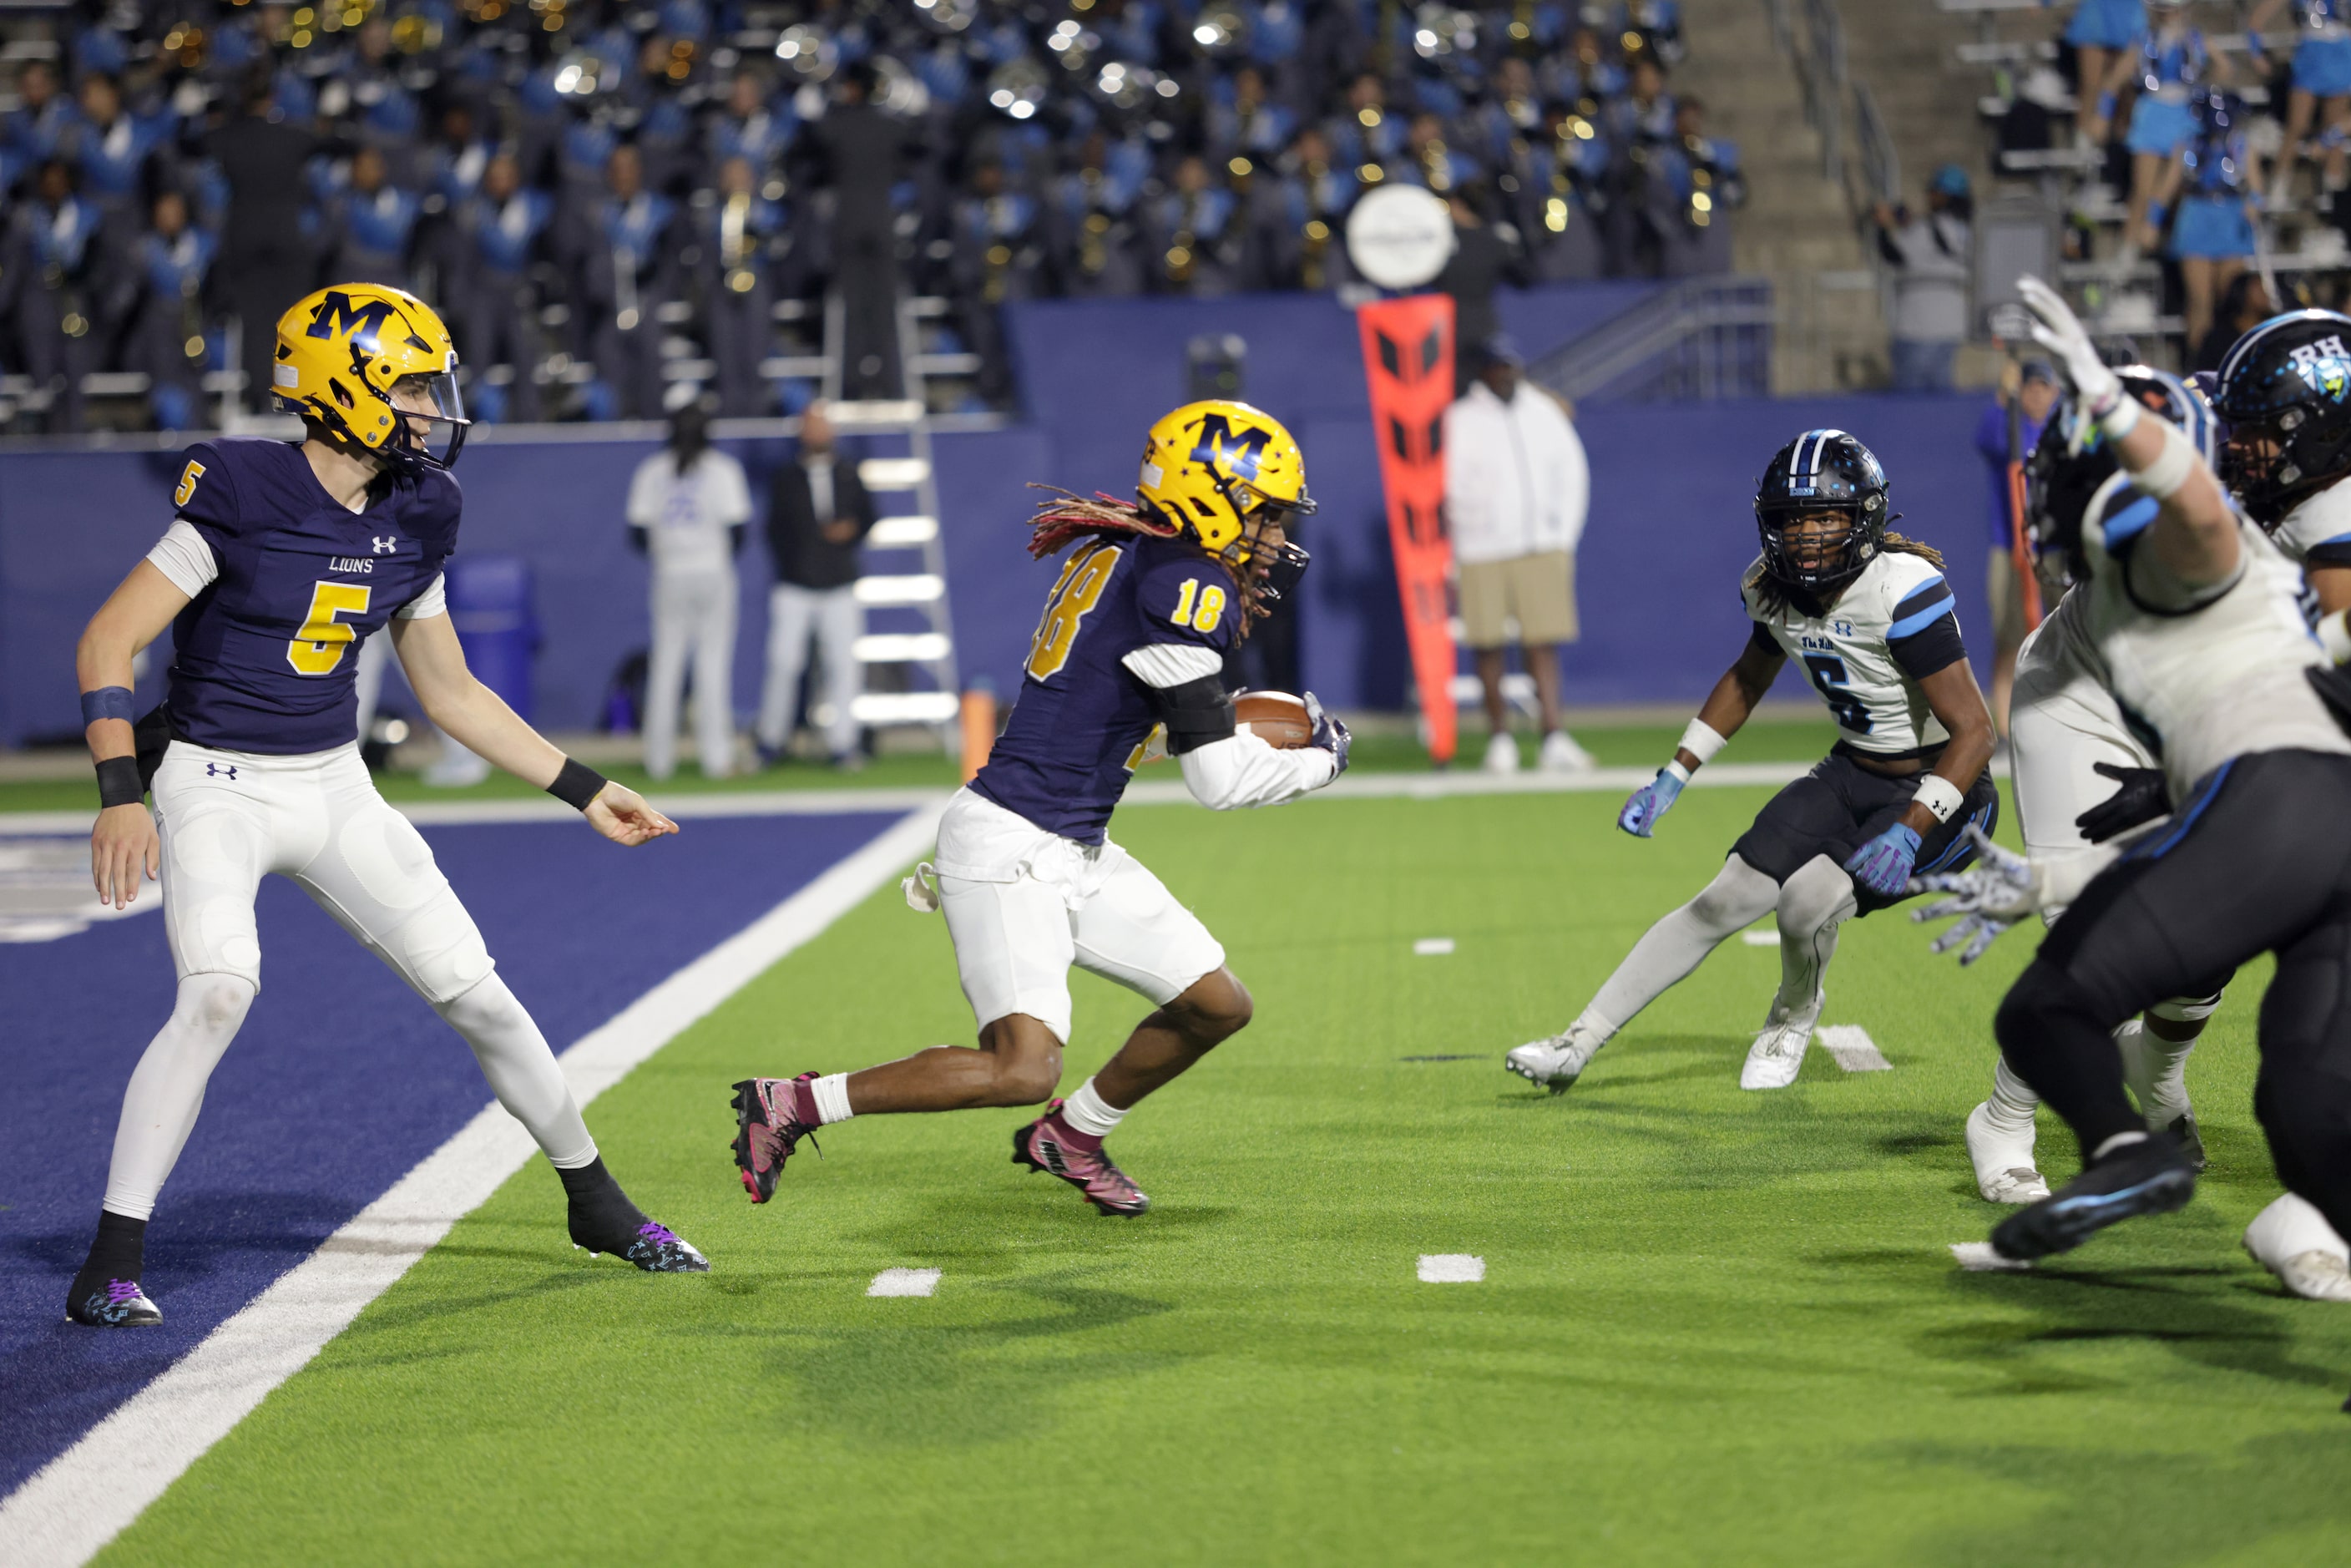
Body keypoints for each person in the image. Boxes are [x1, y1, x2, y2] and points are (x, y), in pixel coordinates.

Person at [65, 282, 703, 1327]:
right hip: (214, 778)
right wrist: (119, 793)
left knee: (479, 992)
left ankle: (596, 1201)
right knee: (220, 989)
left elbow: (448, 691)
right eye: (408, 382)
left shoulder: (420, 508)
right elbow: (107, 640)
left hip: (333, 781)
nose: (429, 403)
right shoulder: (240, 484)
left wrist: (583, 788)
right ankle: (112, 1260)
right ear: (338, 385)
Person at [729, 401, 1347, 1216]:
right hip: (1012, 846)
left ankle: (1074, 1136)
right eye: (1262, 513)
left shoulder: (1134, 550)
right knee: (1019, 1069)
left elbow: (1115, 712)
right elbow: (1218, 782)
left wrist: (1205, 725)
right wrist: (1316, 760)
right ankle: (794, 1103)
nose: (1271, 536)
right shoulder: (1182, 582)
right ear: (1211, 497)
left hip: (1069, 841)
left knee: (1214, 1004)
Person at [1914, 276, 2351, 1275]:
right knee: (2261, 1049)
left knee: (2129, 966)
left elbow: (2198, 520)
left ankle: (2139, 1121)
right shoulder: (2208, 442)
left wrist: (2107, 411)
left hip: (2251, 741)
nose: (2240, 449)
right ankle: (2040, 1120)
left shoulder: (2221, 510)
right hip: (2154, 715)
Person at [1505, 429, 1998, 1094]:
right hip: (1853, 770)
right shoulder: (1769, 587)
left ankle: (1792, 1015)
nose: (1809, 535)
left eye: (1826, 516)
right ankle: (1576, 1044)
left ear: (1864, 519)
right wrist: (1674, 774)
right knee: (1722, 899)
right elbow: (1746, 680)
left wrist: (1911, 827)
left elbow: (1975, 732)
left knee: (1805, 904)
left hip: (1946, 787)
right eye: (1794, 520)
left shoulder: (1901, 591)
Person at [1443, 336, 1596, 774]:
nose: (1505, 375)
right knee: (1488, 646)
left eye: (1511, 366)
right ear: (1484, 372)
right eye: (1497, 368)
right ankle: (1500, 741)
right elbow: (1449, 486)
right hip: (1481, 550)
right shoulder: (1460, 419)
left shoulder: (1544, 413)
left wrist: (1562, 535)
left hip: (1540, 547)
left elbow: (1571, 473)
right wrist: (1466, 536)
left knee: (1542, 643)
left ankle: (1553, 737)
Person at [627, 393, 752, 781]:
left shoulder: (653, 470)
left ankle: (658, 761)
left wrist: (667, 555)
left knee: (666, 664)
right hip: (712, 570)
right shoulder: (723, 469)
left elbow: (637, 531)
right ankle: (716, 759)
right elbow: (739, 529)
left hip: (670, 572)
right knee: (712, 666)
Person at [756, 401, 874, 767]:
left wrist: (850, 530)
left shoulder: (849, 472)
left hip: (839, 583)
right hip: (795, 585)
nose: (818, 433)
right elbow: (774, 529)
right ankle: (770, 741)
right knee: (783, 663)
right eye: (812, 426)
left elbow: (868, 516)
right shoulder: (786, 477)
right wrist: (798, 562)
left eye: (823, 426)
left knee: (843, 665)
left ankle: (844, 744)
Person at [208, 69, 319, 414]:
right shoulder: (292, 137)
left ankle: (260, 398)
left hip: (244, 238)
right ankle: (297, 396)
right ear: (272, 98)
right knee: (295, 321)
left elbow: (189, 144)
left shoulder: (229, 137)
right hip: (286, 238)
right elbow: (339, 143)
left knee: (255, 324)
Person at [1971, 359, 2059, 732]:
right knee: (2008, 637)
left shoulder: (2060, 431)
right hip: (2009, 545)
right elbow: (1985, 437)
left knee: (2061, 633)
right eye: (2030, 386)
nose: (2036, 393)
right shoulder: (2008, 428)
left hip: (2053, 546)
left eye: (2043, 386)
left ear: (2054, 392)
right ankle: (2004, 728)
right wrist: (2004, 396)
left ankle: (2059, 718)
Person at [2167, 92, 2263, 353]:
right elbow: (2167, 186)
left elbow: (2255, 189)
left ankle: (2231, 360)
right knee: (2200, 301)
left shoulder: (2242, 146)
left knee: (2233, 301)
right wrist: (2152, 221)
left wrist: (2253, 206)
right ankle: (2199, 362)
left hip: (2231, 220)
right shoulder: (2187, 145)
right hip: (2196, 217)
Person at [1873, 167, 1973, 393]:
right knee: (1941, 402)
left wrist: (1882, 226)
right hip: (1951, 324)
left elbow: (1893, 255)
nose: (1929, 197)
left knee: (1911, 407)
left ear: (1943, 195)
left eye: (1933, 192)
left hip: (1918, 327)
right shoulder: (1970, 229)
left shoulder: (1925, 229)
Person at [2250, 0, 2351, 208]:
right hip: (2311, 53)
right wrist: (2256, 52)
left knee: (2334, 128)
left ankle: (2333, 191)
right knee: (2296, 125)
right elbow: (2257, 20)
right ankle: (2278, 186)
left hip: (2341, 52)